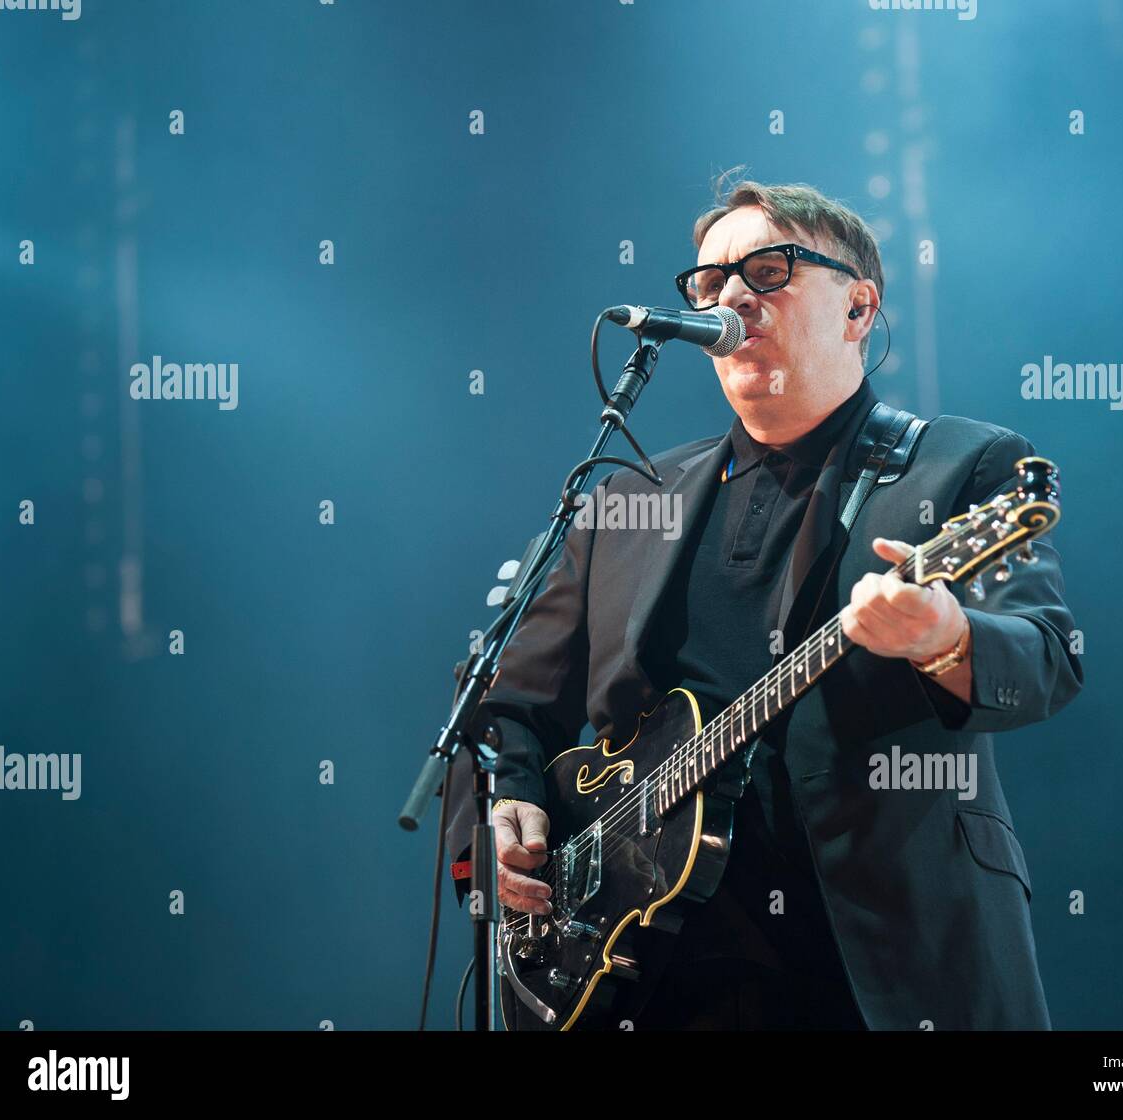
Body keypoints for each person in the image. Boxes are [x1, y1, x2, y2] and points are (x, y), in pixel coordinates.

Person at [450, 176, 1083, 1030]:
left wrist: (943, 635)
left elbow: (1047, 655)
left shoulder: (960, 467)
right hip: (644, 975)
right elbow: (500, 698)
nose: (733, 296)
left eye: (770, 269)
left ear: (859, 307)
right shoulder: (629, 500)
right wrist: (499, 812)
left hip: (872, 962)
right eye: (710, 284)